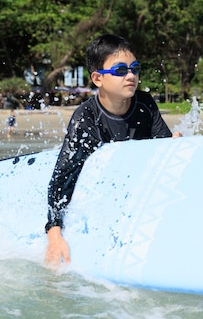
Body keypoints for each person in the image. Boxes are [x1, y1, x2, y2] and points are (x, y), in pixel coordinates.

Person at [45, 34, 181, 265]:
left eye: (134, 68)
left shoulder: (145, 104)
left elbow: (161, 152)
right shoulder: (86, 118)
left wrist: (175, 146)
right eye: (120, 70)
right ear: (98, 78)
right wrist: (54, 234)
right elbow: (61, 181)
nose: (131, 76)